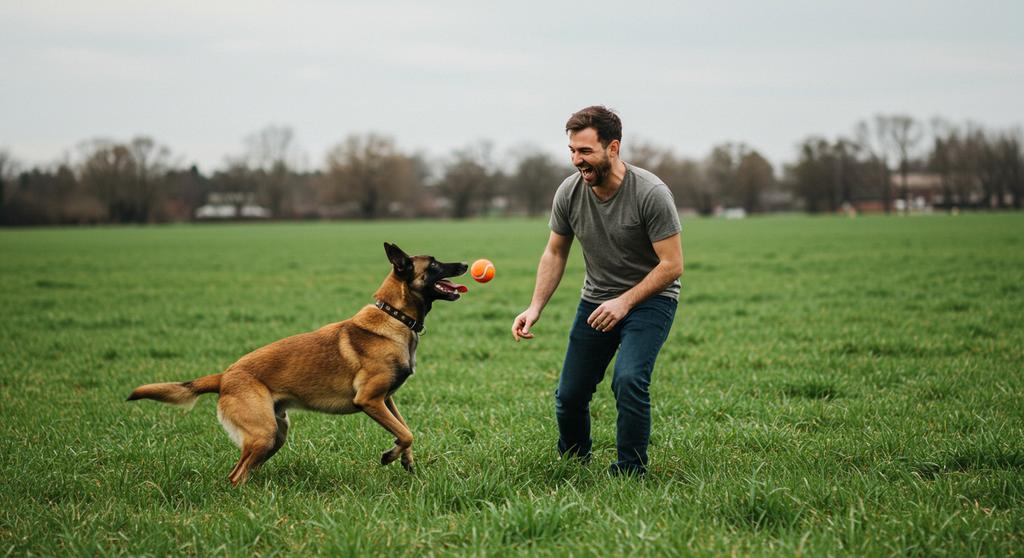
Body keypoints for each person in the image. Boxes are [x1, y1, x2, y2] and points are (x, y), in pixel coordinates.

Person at [512, 105, 683, 477]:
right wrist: (535, 306)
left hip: (651, 300)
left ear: (613, 148)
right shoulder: (570, 193)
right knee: (570, 394)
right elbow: (555, 251)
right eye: (572, 151)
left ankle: (630, 471)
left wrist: (624, 302)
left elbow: (672, 265)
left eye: (585, 151)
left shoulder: (651, 193)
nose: (577, 160)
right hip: (596, 300)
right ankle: (574, 463)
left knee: (628, 379)